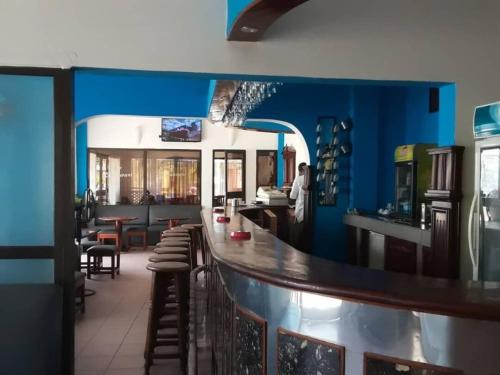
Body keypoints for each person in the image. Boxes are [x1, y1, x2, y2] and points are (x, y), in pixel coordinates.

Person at [289, 162, 306, 251]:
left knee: (297, 235)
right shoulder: (311, 178)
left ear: (300, 171)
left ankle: (295, 250)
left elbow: (292, 196)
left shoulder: (299, 179)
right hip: (311, 212)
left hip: (300, 211)